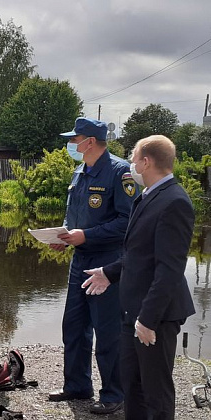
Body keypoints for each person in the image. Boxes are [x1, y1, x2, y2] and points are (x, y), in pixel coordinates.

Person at [82, 135, 195, 419]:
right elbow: (139, 255)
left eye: (134, 158)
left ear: (146, 162)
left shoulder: (174, 202)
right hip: (132, 310)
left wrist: (147, 319)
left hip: (154, 316)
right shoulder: (148, 196)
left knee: (155, 392)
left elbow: (169, 269)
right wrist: (109, 272)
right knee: (132, 387)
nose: (131, 163)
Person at [48, 117, 137, 415]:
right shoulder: (79, 171)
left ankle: (114, 393)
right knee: (73, 326)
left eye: (75, 140)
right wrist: (63, 234)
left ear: (91, 141)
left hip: (108, 262)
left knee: (108, 331)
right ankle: (77, 385)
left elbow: (128, 223)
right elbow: (74, 215)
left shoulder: (120, 171)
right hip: (80, 260)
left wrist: (86, 235)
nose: (72, 144)